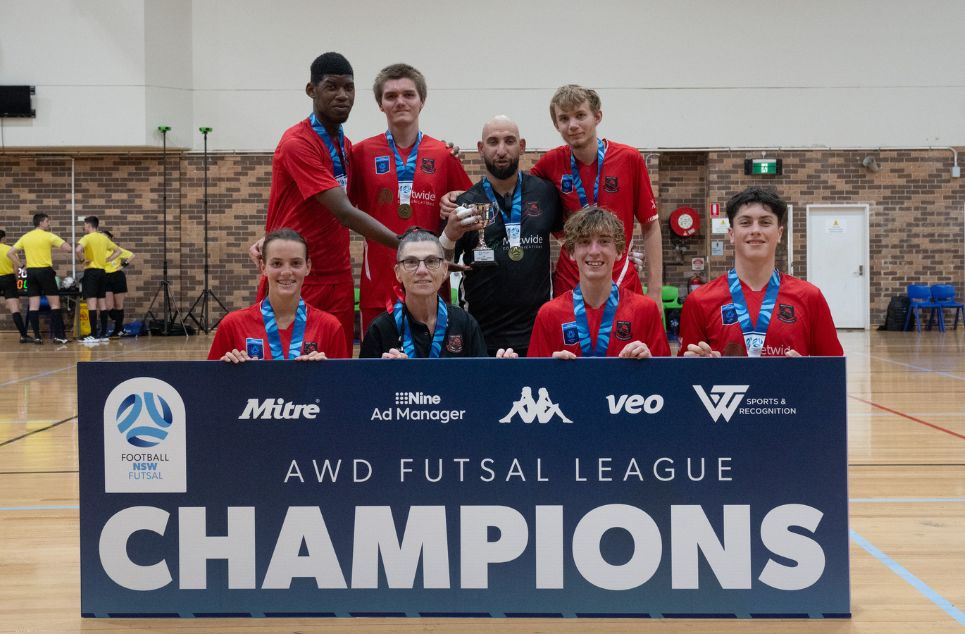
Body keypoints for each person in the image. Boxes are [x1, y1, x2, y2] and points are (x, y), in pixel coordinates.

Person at [249, 52, 400, 353]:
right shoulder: (298, 143)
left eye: (349, 87)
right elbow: (344, 211)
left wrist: (445, 151)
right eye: (332, 86)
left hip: (339, 276)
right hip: (297, 272)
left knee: (337, 367)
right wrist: (404, 245)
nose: (342, 95)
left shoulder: (344, 146)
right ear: (311, 90)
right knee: (283, 364)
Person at [350, 63, 472, 333]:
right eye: (391, 96)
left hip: (430, 282)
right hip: (378, 284)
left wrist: (456, 198)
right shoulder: (360, 154)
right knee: (378, 358)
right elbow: (339, 209)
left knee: (432, 356)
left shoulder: (443, 154)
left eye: (408, 94)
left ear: (422, 101)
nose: (400, 102)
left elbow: (469, 208)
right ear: (380, 104)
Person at [439, 115, 562, 357]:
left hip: (537, 331)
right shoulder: (465, 203)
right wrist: (448, 235)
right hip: (480, 333)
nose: (502, 150)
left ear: (522, 146)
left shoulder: (546, 193)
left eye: (509, 141)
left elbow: (570, 239)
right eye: (493, 142)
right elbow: (440, 264)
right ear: (481, 148)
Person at [532, 85, 662, 305]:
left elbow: (650, 224)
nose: (573, 125)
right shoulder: (550, 163)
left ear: (597, 117)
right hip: (570, 280)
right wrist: (563, 238)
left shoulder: (629, 159)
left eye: (580, 115)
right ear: (556, 125)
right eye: (564, 118)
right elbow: (524, 195)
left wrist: (656, 291)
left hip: (620, 276)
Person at [679, 187, 843, 357]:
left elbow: (833, 368)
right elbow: (684, 370)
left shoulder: (810, 297)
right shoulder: (699, 301)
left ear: (779, 233)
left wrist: (805, 370)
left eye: (765, 222)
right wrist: (699, 366)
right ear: (731, 234)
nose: (755, 230)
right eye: (745, 222)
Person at [528, 206, 669, 358]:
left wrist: (649, 363)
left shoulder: (645, 311)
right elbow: (534, 373)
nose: (594, 251)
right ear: (571, 252)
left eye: (604, 241)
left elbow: (667, 372)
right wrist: (550, 368)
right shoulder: (549, 314)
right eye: (584, 241)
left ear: (619, 251)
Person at [360, 228, 504, 359]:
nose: (422, 270)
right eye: (411, 262)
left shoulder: (465, 323)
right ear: (398, 273)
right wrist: (388, 373)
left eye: (431, 261)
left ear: (444, 270)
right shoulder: (380, 329)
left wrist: (502, 369)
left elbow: (481, 377)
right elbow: (365, 380)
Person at [210, 229, 348, 362]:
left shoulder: (330, 327)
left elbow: (343, 379)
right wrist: (227, 371)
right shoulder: (232, 325)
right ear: (263, 267)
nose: (286, 272)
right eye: (277, 263)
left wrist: (325, 372)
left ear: (308, 267)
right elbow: (209, 378)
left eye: (296, 263)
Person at [8, 213, 72, 344]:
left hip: (31, 272)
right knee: (55, 304)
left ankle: (37, 337)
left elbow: (10, 253)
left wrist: (21, 266)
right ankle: (59, 337)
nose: (49, 223)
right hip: (45, 272)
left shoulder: (26, 237)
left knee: (33, 306)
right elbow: (69, 249)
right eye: (47, 221)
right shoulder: (49, 236)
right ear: (41, 222)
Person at [76, 216, 121, 341]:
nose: (84, 227)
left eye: (84, 225)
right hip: (102, 272)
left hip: (91, 272)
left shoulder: (87, 237)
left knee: (91, 303)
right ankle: (104, 334)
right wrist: (108, 259)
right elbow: (118, 251)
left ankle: (93, 334)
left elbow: (78, 250)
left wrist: (82, 260)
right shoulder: (104, 238)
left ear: (89, 225)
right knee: (102, 303)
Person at [101, 230, 134, 337]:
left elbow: (132, 255)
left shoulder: (116, 249)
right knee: (108, 306)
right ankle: (120, 327)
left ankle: (117, 330)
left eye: (105, 237)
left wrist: (123, 265)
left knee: (118, 305)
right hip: (105, 277)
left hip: (117, 277)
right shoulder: (99, 250)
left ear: (110, 239)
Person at [0, 229, 30, 341]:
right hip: (8, 279)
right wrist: (16, 281)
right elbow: (16, 269)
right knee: (15, 309)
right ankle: (23, 336)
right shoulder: (10, 250)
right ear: (3, 238)